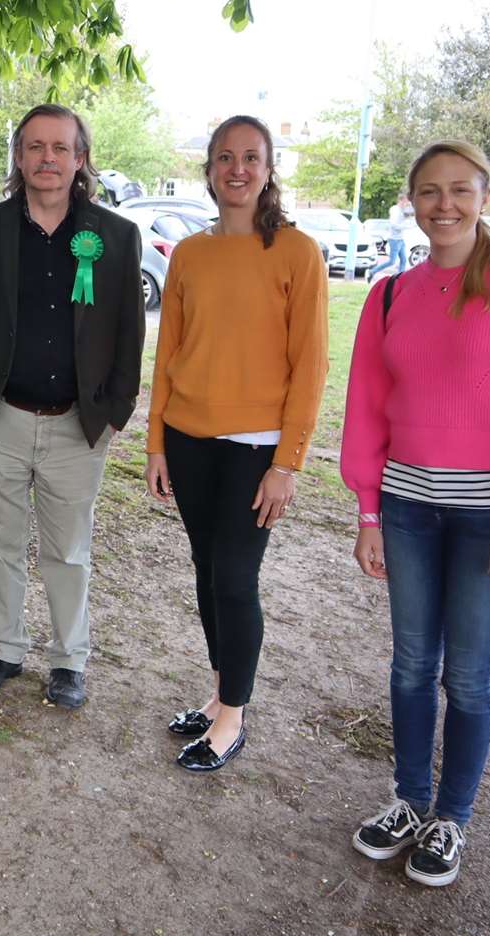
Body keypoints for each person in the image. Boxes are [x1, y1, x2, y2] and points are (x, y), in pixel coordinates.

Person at [340, 140, 490, 887]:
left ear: (483, 196)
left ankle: (452, 819)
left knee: (468, 677)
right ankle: (410, 802)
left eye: (459, 191)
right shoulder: (390, 295)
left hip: (488, 521)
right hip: (408, 510)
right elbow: (369, 409)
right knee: (412, 666)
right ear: (410, 200)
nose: (444, 205)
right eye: (429, 192)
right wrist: (369, 513)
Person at [0, 104, 145, 709]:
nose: (47, 158)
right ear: (19, 158)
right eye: (34, 147)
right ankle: (4, 649)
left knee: (68, 549)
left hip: (77, 426)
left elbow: (130, 332)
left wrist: (115, 410)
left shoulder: (115, 235)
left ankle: (68, 660)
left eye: (60, 148)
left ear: (80, 159)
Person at [143, 114, 328, 773]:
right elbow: (168, 354)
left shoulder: (298, 253)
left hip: (257, 449)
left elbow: (310, 366)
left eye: (251, 157)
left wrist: (288, 463)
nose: (237, 168)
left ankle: (232, 718)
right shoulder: (189, 254)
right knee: (205, 568)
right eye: (224, 157)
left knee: (234, 575)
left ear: (270, 169)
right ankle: (222, 692)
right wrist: (157, 443)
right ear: (210, 170)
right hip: (190, 441)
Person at [368, 193, 415, 281]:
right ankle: (372, 271)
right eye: (406, 202)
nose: (407, 204)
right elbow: (393, 225)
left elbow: (408, 216)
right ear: (401, 200)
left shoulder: (402, 210)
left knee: (404, 260)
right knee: (391, 261)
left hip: (400, 239)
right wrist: (405, 226)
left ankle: (400, 279)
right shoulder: (395, 210)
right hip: (394, 239)